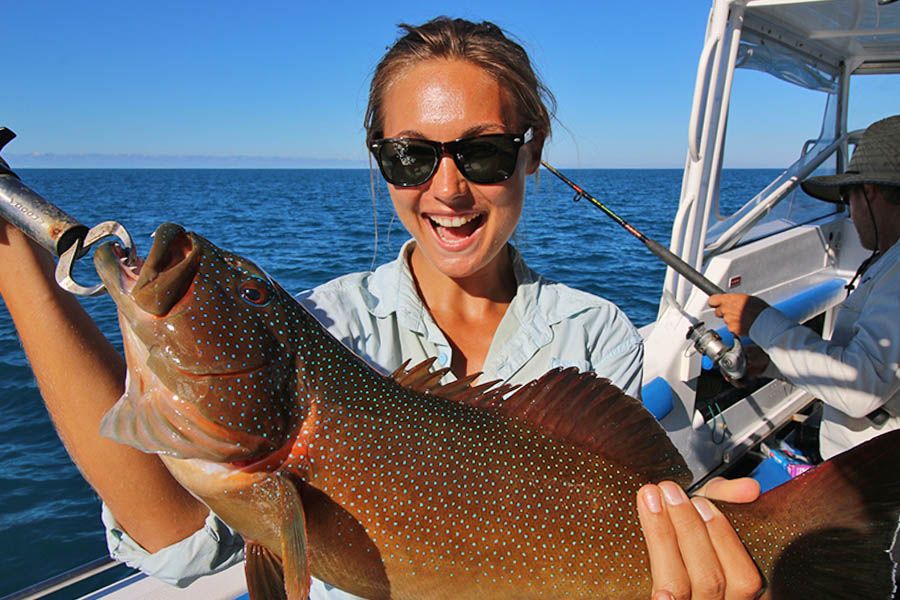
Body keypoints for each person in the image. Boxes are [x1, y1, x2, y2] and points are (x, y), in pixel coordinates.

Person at [0, 17, 762, 600]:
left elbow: (623, 519)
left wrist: (706, 544)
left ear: (532, 153)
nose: (449, 187)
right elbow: (176, 537)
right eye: (411, 155)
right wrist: (13, 262)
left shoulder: (594, 332)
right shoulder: (329, 328)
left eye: (485, 151)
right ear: (379, 159)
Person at [709, 114, 900, 462]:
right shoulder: (889, 263)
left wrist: (759, 319)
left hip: (875, 488)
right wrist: (770, 363)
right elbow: (864, 365)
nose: (850, 213)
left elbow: (861, 389)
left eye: (847, 197)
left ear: (869, 193)